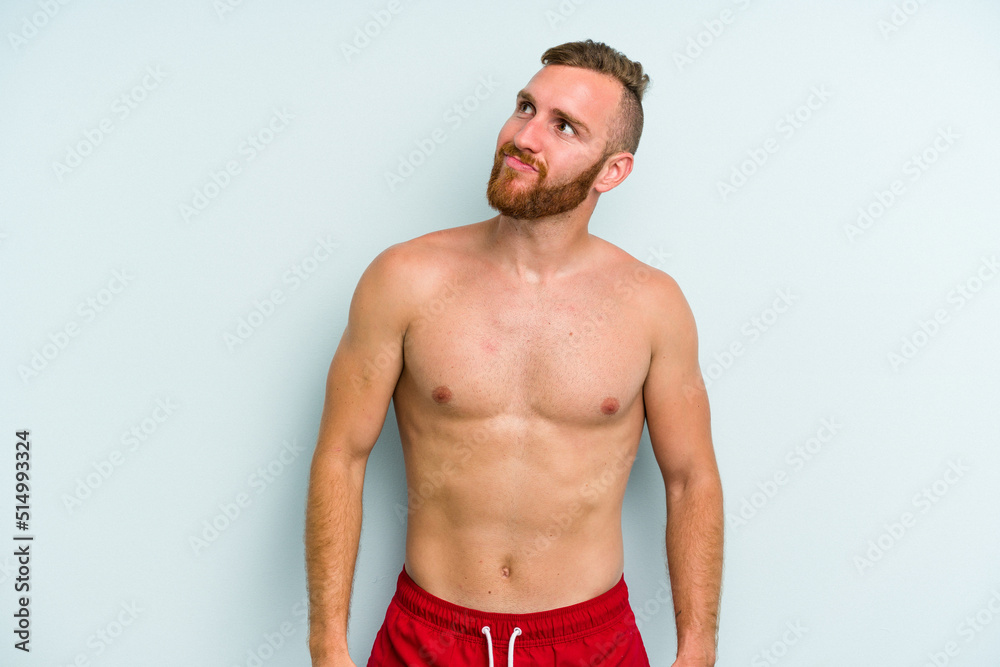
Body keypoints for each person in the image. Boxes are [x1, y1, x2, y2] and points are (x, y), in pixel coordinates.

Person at [305, 39, 723, 667]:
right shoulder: (405, 279)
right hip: (429, 636)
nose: (525, 136)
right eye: (526, 107)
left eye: (564, 126)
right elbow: (342, 456)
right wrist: (326, 646)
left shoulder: (652, 306)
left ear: (612, 171)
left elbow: (691, 481)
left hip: (591, 642)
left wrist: (698, 650)